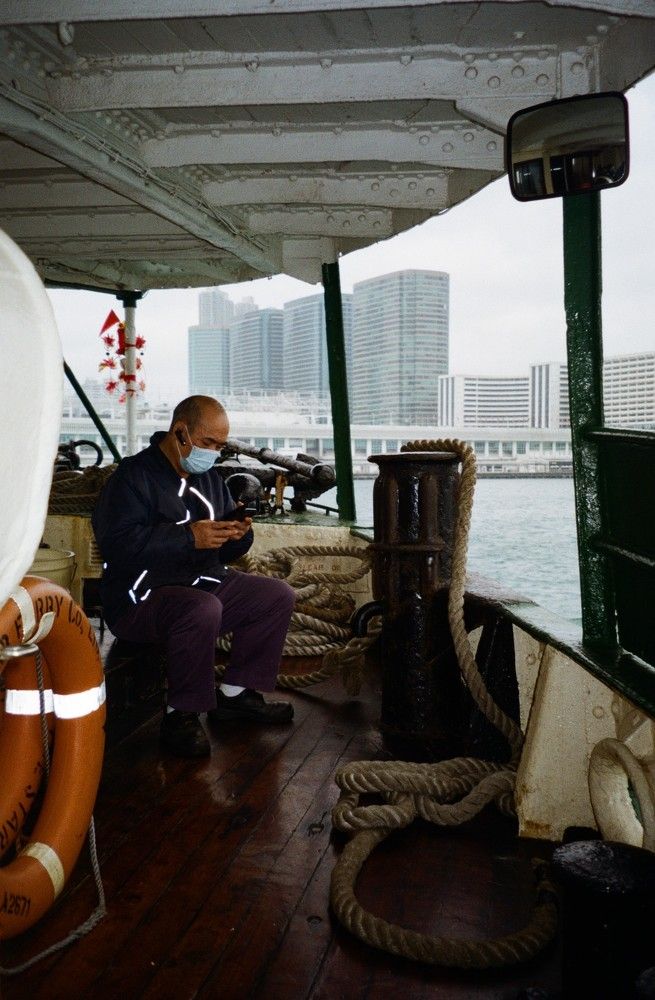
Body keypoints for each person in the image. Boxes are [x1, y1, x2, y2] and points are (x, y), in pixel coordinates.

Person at [92, 395, 296, 758]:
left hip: (202, 582)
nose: (212, 453)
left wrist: (237, 534)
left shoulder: (210, 479)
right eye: (207, 443)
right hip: (139, 599)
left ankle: (235, 695)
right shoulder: (132, 477)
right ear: (180, 432)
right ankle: (180, 715)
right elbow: (116, 545)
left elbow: (223, 552)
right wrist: (188, 537)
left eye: (219, 446)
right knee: (201, 608)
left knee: (275, 595)